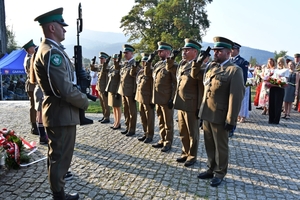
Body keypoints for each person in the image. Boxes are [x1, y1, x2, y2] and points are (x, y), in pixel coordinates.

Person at [33, 7, 89, 200]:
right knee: (60, 158)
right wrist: (83, 101)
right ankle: (59, 196)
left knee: (59, 156)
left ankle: (60, 193)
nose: (65, 30)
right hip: (60, 110)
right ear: (51, 28)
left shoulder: (52, 50)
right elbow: (63, 89)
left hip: (60, 111)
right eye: (61, 26)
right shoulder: (51, 52)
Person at [197, 36, 245, 187]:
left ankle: (220, 172)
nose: (215, 53)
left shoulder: (234, 70)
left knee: (220, 146)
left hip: (221, 115)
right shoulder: (212, 67)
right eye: (215, 50)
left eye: (219, 51)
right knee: (209, 144)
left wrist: (231, 120)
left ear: (228, 53)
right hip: (207, 113)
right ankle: (211, 168)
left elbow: (235, 97)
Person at [173, 38, 203, 167]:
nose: (184, 52)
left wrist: (199, 108)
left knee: (192, 132)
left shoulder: (199, 66)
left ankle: (192, 155)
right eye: (184, 50)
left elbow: (201, 89)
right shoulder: (182, 64)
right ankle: (185, 152)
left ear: (195, 52)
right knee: (182, 130)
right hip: (181, 102)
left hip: (192, 105)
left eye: (187, 50)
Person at [151, 42, 177, 152]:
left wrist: (172, 98)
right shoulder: (158, 64)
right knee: (161, 120)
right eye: (158, 51)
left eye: (161, 51)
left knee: (168, 122)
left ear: (167, 52)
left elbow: (175, 83)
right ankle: (162, 139)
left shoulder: (173, 65)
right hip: (157, 97)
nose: (158, 53)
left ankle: (168, 142)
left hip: (166, 98)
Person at [133, 53, 155, 143]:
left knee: (149, 118)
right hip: (140, 97)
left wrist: (152, 100)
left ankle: (150, 135)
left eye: (145, 61)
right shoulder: (141, 71)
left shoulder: (151, 71)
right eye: (143, 61)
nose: (143, 63)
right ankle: (145, 133)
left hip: (148, 98)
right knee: (143, 117)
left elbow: (153, 86)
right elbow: (134, 76)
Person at [229, 42, 249, 137]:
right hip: (227, 88)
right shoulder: (227, 60)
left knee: (233, 109)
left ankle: (232, 128)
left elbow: (244, 78)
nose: (231, 51)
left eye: (233, 49)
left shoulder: (242, 62)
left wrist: (241, 88)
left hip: (235, 89)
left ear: (237, 50)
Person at [118, 44, 138, 136]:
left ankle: (132, 129)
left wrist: (135, 92)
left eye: (127, 53)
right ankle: (127, 126)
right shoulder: (125, 64)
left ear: (132, 54)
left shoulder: (134, 64)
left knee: (132, 112)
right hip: (123, 91)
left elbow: (136, 79)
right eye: (124, 53)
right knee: (125, 111)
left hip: (130, 92)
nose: (125, 54)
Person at [22, 39, 39, 135]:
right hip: (32, 84)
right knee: (33, 106)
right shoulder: (29, 59)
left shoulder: (30, 57)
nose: (35, 48)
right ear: (29, 49)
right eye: (33, 47)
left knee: (36, 106)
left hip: (34, 84)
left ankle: (37, 124)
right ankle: (34, 126)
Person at [268, 57, 289, 124]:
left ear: (283, 62)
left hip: (279, 88)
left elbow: (285, 80)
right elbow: (272, 78)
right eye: (278, 62)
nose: (279, 63)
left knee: (277, 104)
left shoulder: (286, 70)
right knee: (271, 103)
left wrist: (279, 82)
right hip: (273, 88)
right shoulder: (275, 70)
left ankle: (276, 120)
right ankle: (271, 119)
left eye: (280, 61)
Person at [92, 52, 111, 123]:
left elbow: (104, 71)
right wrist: (92, 62)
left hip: (104, 87)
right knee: (102, 103)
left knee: (106, 103)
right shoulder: (100, 66)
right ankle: (104, 115)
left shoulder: (107, 67)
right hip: (99, 87)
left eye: (102, 58)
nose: (100, 60)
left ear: (105, 59)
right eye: (100, 58)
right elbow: (93, 69)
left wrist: (105, 64)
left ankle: (107, 117)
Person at [106, 53, 122, 129]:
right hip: (111, 89)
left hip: (116, 90)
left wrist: (118, 91)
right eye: (114, 59)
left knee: (117, 107)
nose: (114, 60)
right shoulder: (112, 67)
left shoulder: (120, 67)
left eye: (116, 59)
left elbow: (120, 80)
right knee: (113, 107)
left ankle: (118, 123)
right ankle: (115, 122)